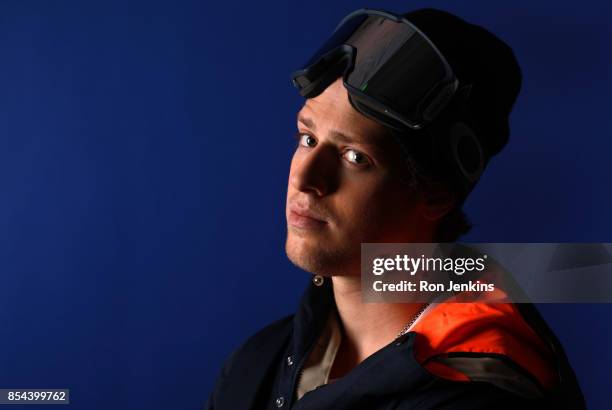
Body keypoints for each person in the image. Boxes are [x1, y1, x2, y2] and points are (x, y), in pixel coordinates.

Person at [205, 8, 586, 410]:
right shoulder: (253, 367)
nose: (306, 180)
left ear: (436, 194)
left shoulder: (486, 396)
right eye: (307, 138)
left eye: (355, 157)